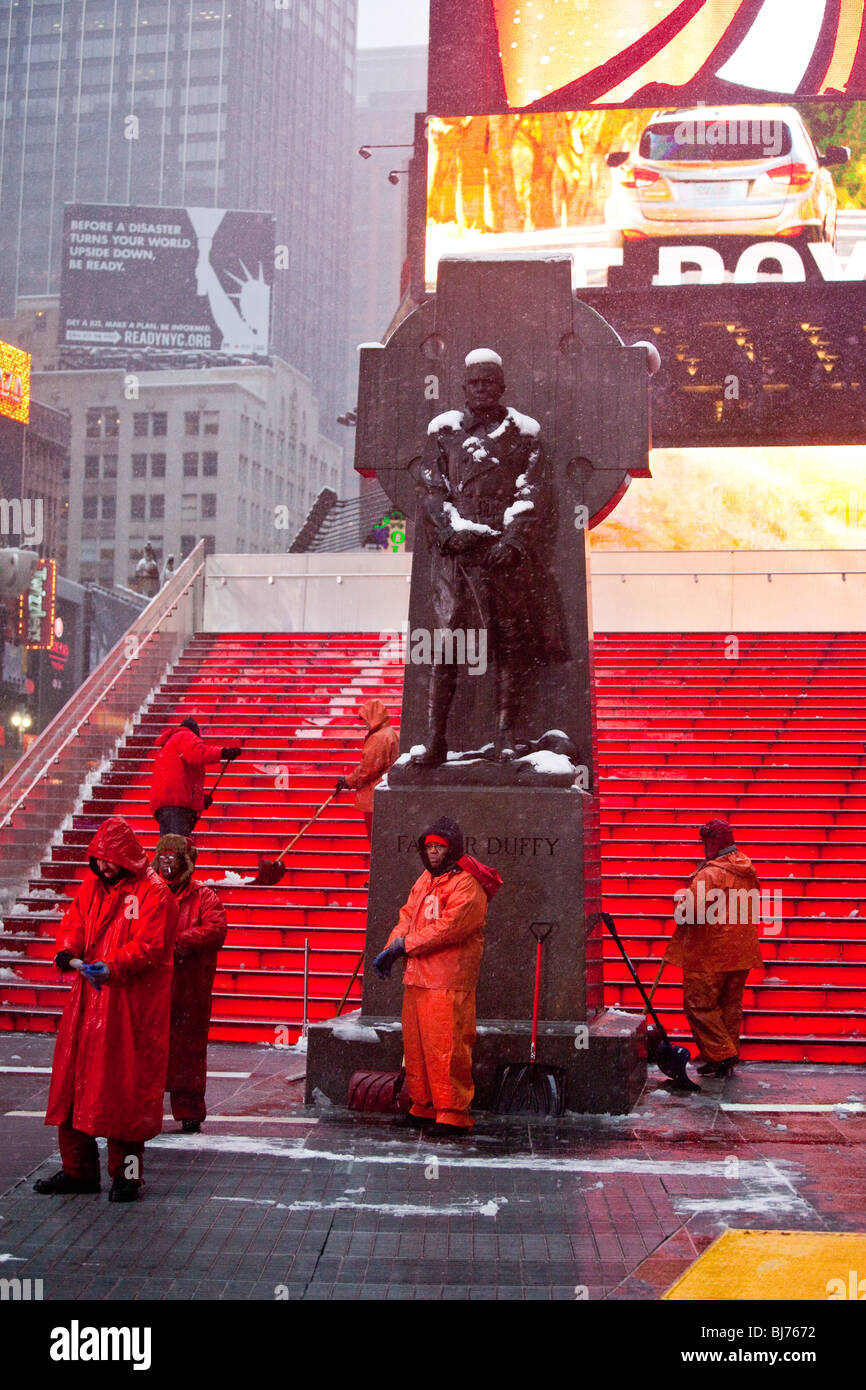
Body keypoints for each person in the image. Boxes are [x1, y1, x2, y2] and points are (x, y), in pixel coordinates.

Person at [412, 348, 568, 764]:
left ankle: (504, 734)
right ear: (464, 388)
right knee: (445, 649)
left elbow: (532, 493)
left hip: (501, 558)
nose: (481, 390)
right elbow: (431, 489)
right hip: (456, 561)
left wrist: (513, 542)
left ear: (502, 387)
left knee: (508, 647)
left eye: (489, 383)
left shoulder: (525, 434)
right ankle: (435, 739)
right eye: (474, 383)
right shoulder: (442, 432)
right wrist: (448, 533)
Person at [37, 817, 178, 1202]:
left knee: (126, 1094)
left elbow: (151, 946)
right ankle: (78, 1171)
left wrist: (113, 965)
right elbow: (74, 924)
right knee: (71, 1089)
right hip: (89, 1003)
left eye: (110, 859)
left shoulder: (154, 893)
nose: (103, 866)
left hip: (129, 1008)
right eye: (98, 860)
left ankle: (128, 1176)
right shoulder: (92, 888)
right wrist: (67, 951)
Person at [372, 817, 501, 1136]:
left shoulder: (467, 884)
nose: (432, 852)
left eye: (439, 847)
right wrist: (393, 945)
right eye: (429, 846)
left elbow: (451, 928)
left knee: (447, 1047)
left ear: (451, 849)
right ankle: (424, 1105)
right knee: (416, 1048)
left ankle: (453, 1112)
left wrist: (404, 945)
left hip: (447, 979)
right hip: (418, 978)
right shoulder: (425, 880)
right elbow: (407, 915)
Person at [664, 818, 764, 1079]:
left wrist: (680, 910)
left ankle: (721, 1053)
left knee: (699, 1004)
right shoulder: (747, 869)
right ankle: (723, 1057)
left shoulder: (711, 873)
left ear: (711, 843)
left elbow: (692, 912)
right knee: (729, 1006)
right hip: (740, 951)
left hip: (709, 952)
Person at [154, 835, 228, 1133]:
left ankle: (189, 1111)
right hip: (154, 990)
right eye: (164, 858)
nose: (167, 864)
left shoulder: (204, 897)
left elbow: (216, 930)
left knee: (188, 1052)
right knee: (150, 1052)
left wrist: (179, 942)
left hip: (189, 990)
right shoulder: (148, 892)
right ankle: (146, 1108)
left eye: (173, 859)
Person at [150, 716, 240, 836]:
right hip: (176, 804)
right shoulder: (185, 736)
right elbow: (199, 753)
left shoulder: (169, 744)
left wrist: (200, 801)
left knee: (169, 847)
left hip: (165, 803)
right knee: (178, 846)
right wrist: (223, 752)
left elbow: (181, 778)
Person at [334, 699, 399, 841]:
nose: (365, 724)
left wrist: (348, 780)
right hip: (384, 793)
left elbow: (368, 768)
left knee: (375, 839)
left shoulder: (379, 738)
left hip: (374, 795)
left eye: (365, 720)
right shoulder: (389, 734)